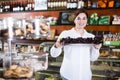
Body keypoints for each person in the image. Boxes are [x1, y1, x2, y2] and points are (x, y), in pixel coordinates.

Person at [50, 9, 102, 80]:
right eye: (78, 18)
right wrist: (56, 46)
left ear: (87, 20)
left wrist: (96, 48)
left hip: (85, 76)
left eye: (84, 18)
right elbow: (53, 54)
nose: (81, 21)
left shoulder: (91, 37)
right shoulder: (65, 34)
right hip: (68, 75)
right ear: (74, 20)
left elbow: (93, 58)